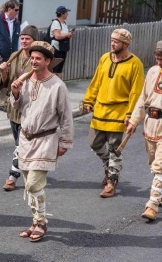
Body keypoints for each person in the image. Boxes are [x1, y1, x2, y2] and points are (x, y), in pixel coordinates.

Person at [10, 41, 73, 242]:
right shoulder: (26, 80)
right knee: (30, 184)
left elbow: (66, 117)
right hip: (26, 140)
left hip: (46, 139)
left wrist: (65, 142)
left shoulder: (57, 86)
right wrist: (16, 92)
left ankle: (42, 222)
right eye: (32, 58)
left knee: (33, 185)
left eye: (38, 58)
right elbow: (19, 107)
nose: (34, 61)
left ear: (48, 61)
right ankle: (35, 222)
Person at [82, 28, 144, 198]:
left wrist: (131, 114)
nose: (112, 43)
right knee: (94, 142)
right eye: (112, 40)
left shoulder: (135, 64)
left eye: (116, 41)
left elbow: (136, 92)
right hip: (101, 109)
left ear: (125, 44)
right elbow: (96, 81)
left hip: (120, 111)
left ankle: (111, 182)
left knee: (114, 148)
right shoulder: (104, 58)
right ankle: (110, 167)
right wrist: (89, 100)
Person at [0, 25, 38, 191]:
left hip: (29, 106)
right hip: (13, 105)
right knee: (19, 143)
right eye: (22, 38)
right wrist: (3, 72)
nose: (24, 41)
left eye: (27, 38)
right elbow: (6, 83)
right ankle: (29, 165)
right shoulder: (14, 57)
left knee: (21, 144)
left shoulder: (37, 59)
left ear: (34, 41)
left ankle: (12, 176)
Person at [126, 40, 162, 221]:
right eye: (158, 59)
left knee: (159, 166)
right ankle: (160, 192)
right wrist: (134, 120)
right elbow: (143, 98)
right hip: (151, 123)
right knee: (153, 162)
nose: (159, 63)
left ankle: (152, 205)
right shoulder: (153, 72)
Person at [0, 0, 21, 111]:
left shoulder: (16, 22)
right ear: (9, 9)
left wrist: (19, 54)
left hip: (12, 56)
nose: (17, 11)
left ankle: (3, 102)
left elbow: (18, 40)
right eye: (16, 9)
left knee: (8, 79)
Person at [50, 6, 75, 79]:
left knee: (60, 67)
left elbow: (64, 34)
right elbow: (57, 36)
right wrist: (68, 34)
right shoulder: (56, 23)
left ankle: (60, 84)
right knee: (55, 67)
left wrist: (69, 34)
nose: (67, 14)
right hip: (56, 48)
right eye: (66, 12)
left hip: (63, 47)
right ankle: (53, 84)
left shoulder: (64, 23)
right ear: (62, 14)